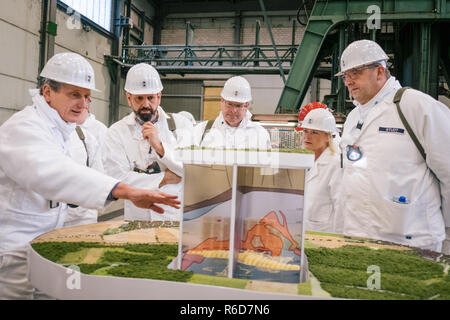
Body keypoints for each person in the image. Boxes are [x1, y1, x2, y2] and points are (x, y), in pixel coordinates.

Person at [0, 53, 180, 299]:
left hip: (48, 239)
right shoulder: (24, 127)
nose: (83, 104)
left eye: (86, 97)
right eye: (74, 94)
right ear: (47, 92)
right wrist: (128, 190)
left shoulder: (65, 129)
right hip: (13, 248)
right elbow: (54, 173)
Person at [337, 39, 450, 252]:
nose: (348, 81)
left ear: (379, 72)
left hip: (413, 241)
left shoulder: (415, 106)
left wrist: (448, 233)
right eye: (345, 76)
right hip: (359, 238)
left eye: (355, 73)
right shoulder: (353, 118)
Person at [102, 63, 183, 222]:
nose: (146, 104)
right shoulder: (116, 132)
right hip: (137, 217)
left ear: (159, 97)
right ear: (129, 98)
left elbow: (191, 169)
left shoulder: (180, 125)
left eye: (150, 98)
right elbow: (116, 179)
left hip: (175, 216)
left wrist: (159, 147)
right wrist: (163, 179)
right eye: (139, 98)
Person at [64, 106, 108, 227]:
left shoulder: (86, 135)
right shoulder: (39, 132)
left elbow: (100, 173)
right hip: (51, 214)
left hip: (83, 214)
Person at [199, 76, 271, 149]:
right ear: (222, 101)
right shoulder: (201, 131)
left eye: (238, 105)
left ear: (247, 105)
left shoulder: (260, 135)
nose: (233, 110)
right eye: (229, 104)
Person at [301, 108, 342, 233]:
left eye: (314, 132)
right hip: (302, 230)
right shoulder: (302, 160)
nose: (307, 136)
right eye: (305, 131)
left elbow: (341, 205)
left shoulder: (336, 163)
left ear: (327, 136)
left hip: (324, 232)